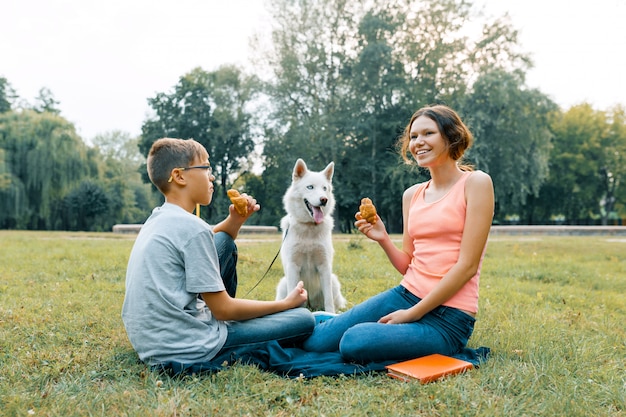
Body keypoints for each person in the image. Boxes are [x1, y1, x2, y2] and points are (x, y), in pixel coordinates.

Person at [302, 105, 494, 365]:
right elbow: (409, 265)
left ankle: (340, 324)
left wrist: (412, 314)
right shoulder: (412, 195)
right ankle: (326, 322)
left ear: (451, 136)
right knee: (315, 341)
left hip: (448, 318)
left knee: (354, 341)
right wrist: (383, 238)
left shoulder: (476, 183)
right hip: (406, 294)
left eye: (428, 133)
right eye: (414, 136)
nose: (418, 142)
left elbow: (467, 266)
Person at [121, 137, 315, 373]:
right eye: (205, 168)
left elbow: (207, 240)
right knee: (304, 319)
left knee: (222, 241)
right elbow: (223, 309)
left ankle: (226, 325)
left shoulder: (159, 218)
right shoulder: (192, 228)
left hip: (151, 341)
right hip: (185, 346)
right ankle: (226, 334)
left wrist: (235, 221)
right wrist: (285, 303)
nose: (211, 176)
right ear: (179, 176)